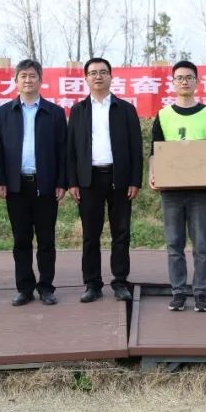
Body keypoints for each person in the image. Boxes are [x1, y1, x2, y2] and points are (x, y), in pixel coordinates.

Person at [149, 60, 206, 312]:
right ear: (173, 83)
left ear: (196, 82)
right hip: (171, 191)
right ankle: (179, 292)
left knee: (201, 245)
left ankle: (201, 292)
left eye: (189, 77)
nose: (184, 81)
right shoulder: (163, 115)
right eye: (180, 78)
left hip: (200, 190)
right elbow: (155, 150)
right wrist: (153, 173)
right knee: (174, 244)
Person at [66, 57, 143, 303]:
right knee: (91, 235)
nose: (98, 76)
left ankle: (120, 281)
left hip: (119, 178)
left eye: (103, 72)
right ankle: (92, 283)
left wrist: (135, 180)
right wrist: (72, 182)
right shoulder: (78, 111)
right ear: (86, 78)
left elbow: (136, 148)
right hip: (88, 179)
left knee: (121, 232)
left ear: (111, 76)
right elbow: (70, 150)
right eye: (93, 73)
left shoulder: (126, 109)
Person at [0, 59, 68, 306]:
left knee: (46, 240)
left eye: (32, 76)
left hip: (45, 184)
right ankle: (24, 288)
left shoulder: (54, 112)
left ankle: (46, 287)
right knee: (21, 240)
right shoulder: (5, 112)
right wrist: (0, 180)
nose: (28, 80)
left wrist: (62, 181)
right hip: (16, 186)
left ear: (40, 80)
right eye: (23, 76)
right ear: (16, 81)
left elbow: (63, 150)